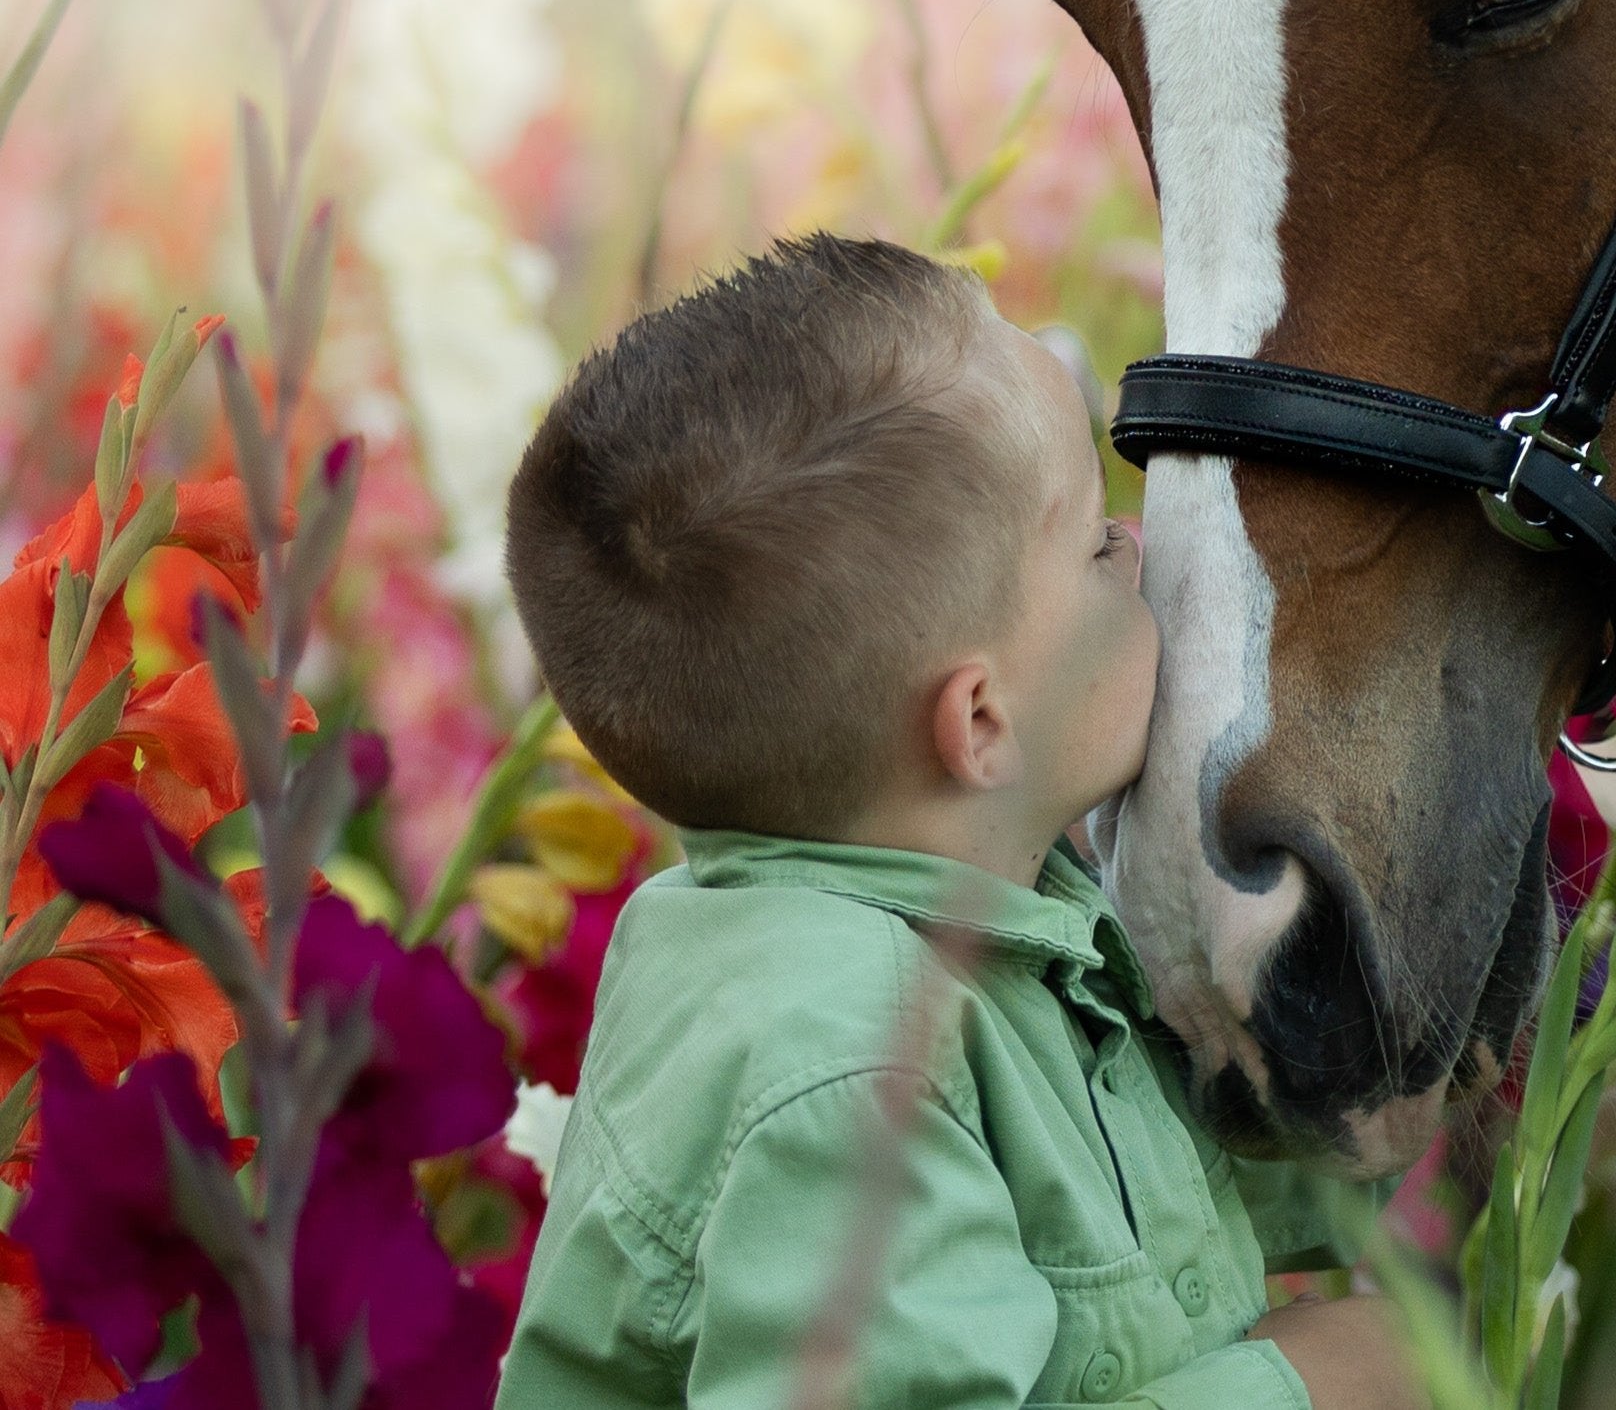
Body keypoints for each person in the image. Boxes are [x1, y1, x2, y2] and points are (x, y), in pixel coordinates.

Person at [495, 234, 1419, 1410]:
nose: (1138, 546)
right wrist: (1302, 1388)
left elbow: (1162, 1202)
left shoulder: (979, 912)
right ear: (979, 720)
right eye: (1095, 540)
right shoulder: (838, 1065)